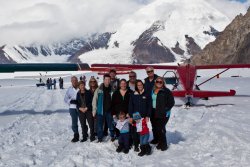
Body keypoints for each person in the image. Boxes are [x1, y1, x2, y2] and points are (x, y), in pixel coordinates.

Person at [150, 77, 175, 151]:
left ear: (163, 83)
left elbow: (171, 102)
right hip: (153, 111)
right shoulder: (153, 90)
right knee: (154, 127)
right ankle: (156, 140)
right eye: (157, 81)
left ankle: (163, 144)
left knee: (160, 128)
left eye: (160, 82)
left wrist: (165, 110)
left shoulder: (166, 91)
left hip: (163, 113)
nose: (159, 83)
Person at [129, 80, 152, 152]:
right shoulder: (133, 94)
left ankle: (145, 145)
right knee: (136, 132)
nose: (140, 86)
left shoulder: (147, 94)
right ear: (136, 86)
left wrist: (148, 115)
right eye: (138, 85)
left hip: (144, 116)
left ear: (143, 85)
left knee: (144, 132)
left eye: (141, 85)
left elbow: (149, 106)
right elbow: (130, 105)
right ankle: (136, 145)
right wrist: (131, 115)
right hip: (136, 116)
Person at [92, 74, 115, 142]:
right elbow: (94, 100)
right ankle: (100, 138)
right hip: (100, 111)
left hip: (109, 111)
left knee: (111, 125)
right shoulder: (99, 89)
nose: (107, 81)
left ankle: (112, 136)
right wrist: (94, 110)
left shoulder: (112, 89)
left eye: (108, 79)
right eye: (106, 79)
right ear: (103, 80)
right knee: (100, 126)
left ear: (110, 80)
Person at [64, 76, 79, 142]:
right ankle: (76, 134)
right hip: (72, 108)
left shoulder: (80, 87)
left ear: (77, 80)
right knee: (74, 122)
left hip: (81, 107)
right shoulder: (69, 89)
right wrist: (71, 101)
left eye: (75, 80)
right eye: (73, 80)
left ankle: (85, 134)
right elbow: (65, 99)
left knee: (83, 121)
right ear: (71, 81)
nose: (74, 81)